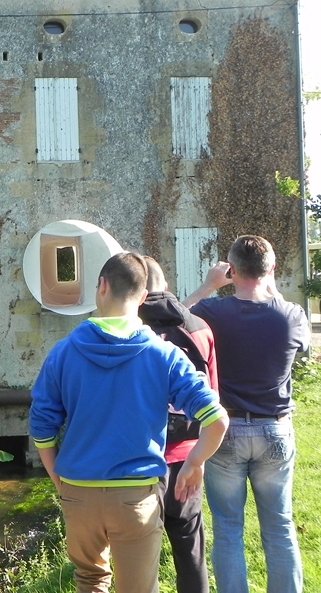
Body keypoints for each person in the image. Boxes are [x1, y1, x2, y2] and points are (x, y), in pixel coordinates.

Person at [29, 251, 228, 593]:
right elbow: (217, 419)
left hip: (78, 493)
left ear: (102, 286)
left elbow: (41, 428)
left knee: (89, 582)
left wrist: (59, 480)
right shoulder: (165, 355)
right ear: (143, 297)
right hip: (136, 497)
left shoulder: (62, 352)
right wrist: (194, 462)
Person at [184, 235, 310, 593]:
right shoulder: (291, 314)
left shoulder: (212, 312)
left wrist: (208, 285)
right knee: (280, 527)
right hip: (275, 429)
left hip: (224, 431)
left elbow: (173, 319)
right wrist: (271, 286)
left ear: (232, 270)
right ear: (271, 269)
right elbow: (303, 345)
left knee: (227, 530)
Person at [139, 256, 219, 593]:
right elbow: (212, 397)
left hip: (141, 457)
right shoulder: (199, 328)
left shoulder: (128, 328)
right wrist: (199, 458)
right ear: (166, 285)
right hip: (188, 455)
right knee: (190, 551)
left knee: (141, 557)